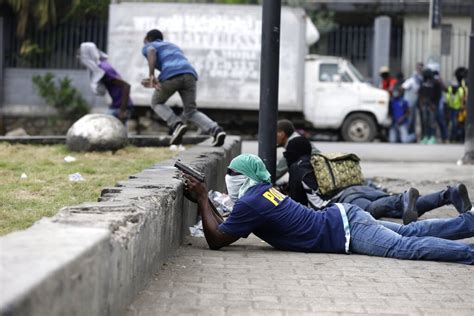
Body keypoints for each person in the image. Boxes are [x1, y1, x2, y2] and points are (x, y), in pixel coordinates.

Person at [182, 153, 474, 264]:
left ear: (244, 177)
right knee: (412, 232)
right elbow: (226, 227)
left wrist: (204, 197)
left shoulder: (251, 201)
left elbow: (218, 239)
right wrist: (203, 200)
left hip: (347, 231)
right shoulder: (260, 193)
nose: (228, 178)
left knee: (406, 248)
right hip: (347, 217)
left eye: (231, 173)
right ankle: (469, 222)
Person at [284, 136, 472, 225]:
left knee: (372, 210)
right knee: (403, 209)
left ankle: (403, 198)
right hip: (360, 188)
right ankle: (448, 194)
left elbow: (297, 204)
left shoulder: (297, 167)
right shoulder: (318, 161)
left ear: (293, 153)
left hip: (344, 199)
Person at [141, 29, 226, 146]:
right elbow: (175, 64)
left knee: (156, 102)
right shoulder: (172, 46)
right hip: (189, 74)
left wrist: (151, 75)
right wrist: (158, 79)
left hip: (171, 75)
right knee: (191, 111)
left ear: (148, 38)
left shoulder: (149, 45)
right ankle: (216, 130)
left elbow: (151, 51)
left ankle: (177, 125)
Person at [78, 42, 133, 124]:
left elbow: (126, 86)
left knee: (107, 128)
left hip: (120, 107)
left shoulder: (103, 69)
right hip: (117, 105)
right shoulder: (101, 67)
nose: (79, 58)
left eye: (81, 55)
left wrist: (122, 111)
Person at [445, 67, 468, 143]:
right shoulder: (451, 89)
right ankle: (454, 138)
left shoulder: (461, 88)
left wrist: (462, 106)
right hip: (452, 108)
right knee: (454, 123)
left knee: (458, 123)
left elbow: (463, 98)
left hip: (459, 108)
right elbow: (448, 97)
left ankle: (459, 138)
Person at [401, 62, 423, 136]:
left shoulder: (421, 79)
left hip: (416, 103)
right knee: (409, 119)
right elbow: (403, 87)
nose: (419, 69)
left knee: (414, 119)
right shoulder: (412, 79)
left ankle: (412, 135)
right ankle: (407, 135)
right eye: (418, 67)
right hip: (409, 103)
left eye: (420, 67)